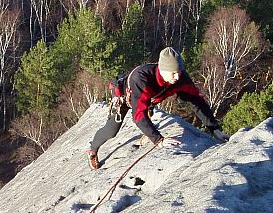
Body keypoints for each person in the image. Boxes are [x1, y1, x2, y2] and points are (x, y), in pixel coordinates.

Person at [87, 46, 229, 170]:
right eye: (173, 73)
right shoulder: (142, 78)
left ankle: (147, 134)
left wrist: (214, 129)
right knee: (111, 131)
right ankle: (93, 149)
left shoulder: (180, 77)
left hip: (148, 100)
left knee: (148, 116)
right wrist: (158, 140)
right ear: (162, 69)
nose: (177, 76)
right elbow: (138, 115)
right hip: (126, 99)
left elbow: (196, 101)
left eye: (179, 72)